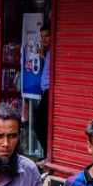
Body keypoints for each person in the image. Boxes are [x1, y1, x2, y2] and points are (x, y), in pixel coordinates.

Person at [36, 23, 51, 152]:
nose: (44, 39)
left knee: (39, 124)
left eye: (47, 36)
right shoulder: (48, 53)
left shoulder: (53, 52)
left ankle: (47, 153)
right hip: (44, 91)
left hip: (50, 92)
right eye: (42, 36)